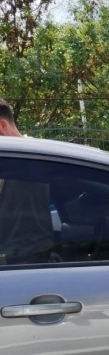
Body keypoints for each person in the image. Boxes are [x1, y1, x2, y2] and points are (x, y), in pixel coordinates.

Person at [0, 99, 56, 265]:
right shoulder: (43, 155)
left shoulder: (27, 158)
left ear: (2, 127)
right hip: (23, 257)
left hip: (25, 259)